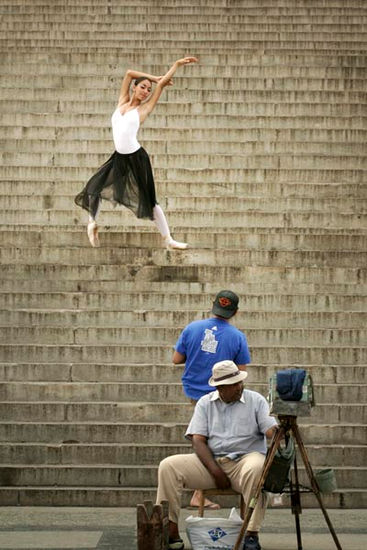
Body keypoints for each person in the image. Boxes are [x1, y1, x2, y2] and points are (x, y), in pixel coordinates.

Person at [74, 56, 198, 249]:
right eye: (143, 87)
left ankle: (169, 240)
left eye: (149, 90)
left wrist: (175, 66)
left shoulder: (144, 109)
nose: (146, 92)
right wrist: (154, 78)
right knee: (93, 188)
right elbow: (129, 73)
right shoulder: (122, 101)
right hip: (119, 158)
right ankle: (92, 223)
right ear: (134, 87)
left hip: (137, 158)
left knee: (151, 202)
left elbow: (163, 84)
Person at [156, 360, 278, 550]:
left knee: (258, 465)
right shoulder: (205, 403)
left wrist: (280, 428)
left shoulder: (256, 400)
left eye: (240, 382)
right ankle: (170, 530)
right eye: (233, 384)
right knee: (168, 466)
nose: (239, 387)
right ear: (220, 387)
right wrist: (215, 471)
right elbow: (198, 440)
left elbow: (270, 430)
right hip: (210, 463)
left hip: (243, 463)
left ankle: (252, 534)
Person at [173, 289, 251, 509]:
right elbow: (241, 371)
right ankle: (200, 493)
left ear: (213, 305)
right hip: (220, 394)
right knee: (209, 440)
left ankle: (200, 492)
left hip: (194, 392)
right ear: (235, 312)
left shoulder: (192, 328)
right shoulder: (237, 336)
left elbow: (176, 358)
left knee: (204, 438)